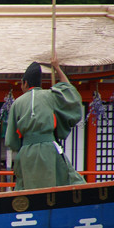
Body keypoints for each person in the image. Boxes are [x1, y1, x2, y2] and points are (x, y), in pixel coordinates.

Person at [5, 56, 86, 190]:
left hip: (26, 153)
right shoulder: (51, 95)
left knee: (27, 189)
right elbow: (70, 92)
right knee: (64, 181)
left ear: (25, 83)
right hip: (50, 148)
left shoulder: (17, 103)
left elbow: (12, 140)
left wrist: (21, 148)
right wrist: (57, 68)